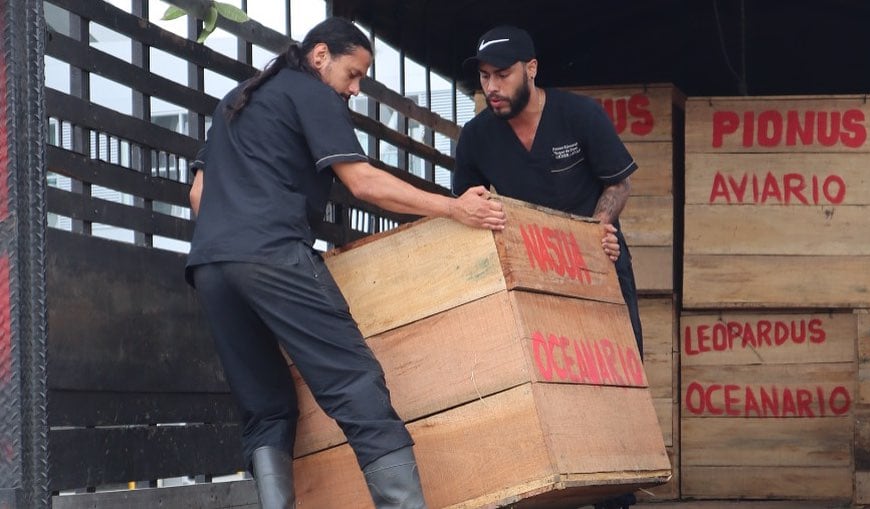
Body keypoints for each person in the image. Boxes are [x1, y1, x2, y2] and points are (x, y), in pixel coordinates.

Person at [186, 17, 506, 509]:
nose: (355, 90)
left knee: (265, 406)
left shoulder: (237, 99)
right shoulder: (311, 93)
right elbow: (363, 183)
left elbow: (198, 194)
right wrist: (453, 206)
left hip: (210, 266)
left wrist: (232, 237)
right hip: (272, 252)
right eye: (353, 75)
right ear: (320, 57)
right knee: (355, 383)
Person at [452, 25, 642, 509]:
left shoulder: (579, 115)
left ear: (531, 70)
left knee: (611, 388)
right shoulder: (475, 138)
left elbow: (618, 184)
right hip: (526, 277)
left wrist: (598, 228)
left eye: (503, 74)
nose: (491, 87)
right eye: (484, 77)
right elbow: (466, 207)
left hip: (597, 267)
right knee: (539, 389)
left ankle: (614, 499)